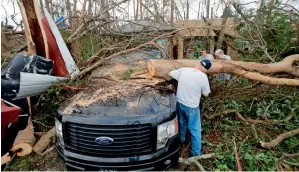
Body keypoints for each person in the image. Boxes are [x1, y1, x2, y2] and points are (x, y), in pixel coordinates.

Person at [168, 59, 212, 156]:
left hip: (179, 103)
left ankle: (181, 141)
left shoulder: (184, 70)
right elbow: (206, 94)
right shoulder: (203, 77)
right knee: (195, 129)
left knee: (181, 123)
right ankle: (195, 152)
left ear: (199, 64)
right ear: (205, 69)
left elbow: (170, 73)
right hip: (192, 107)